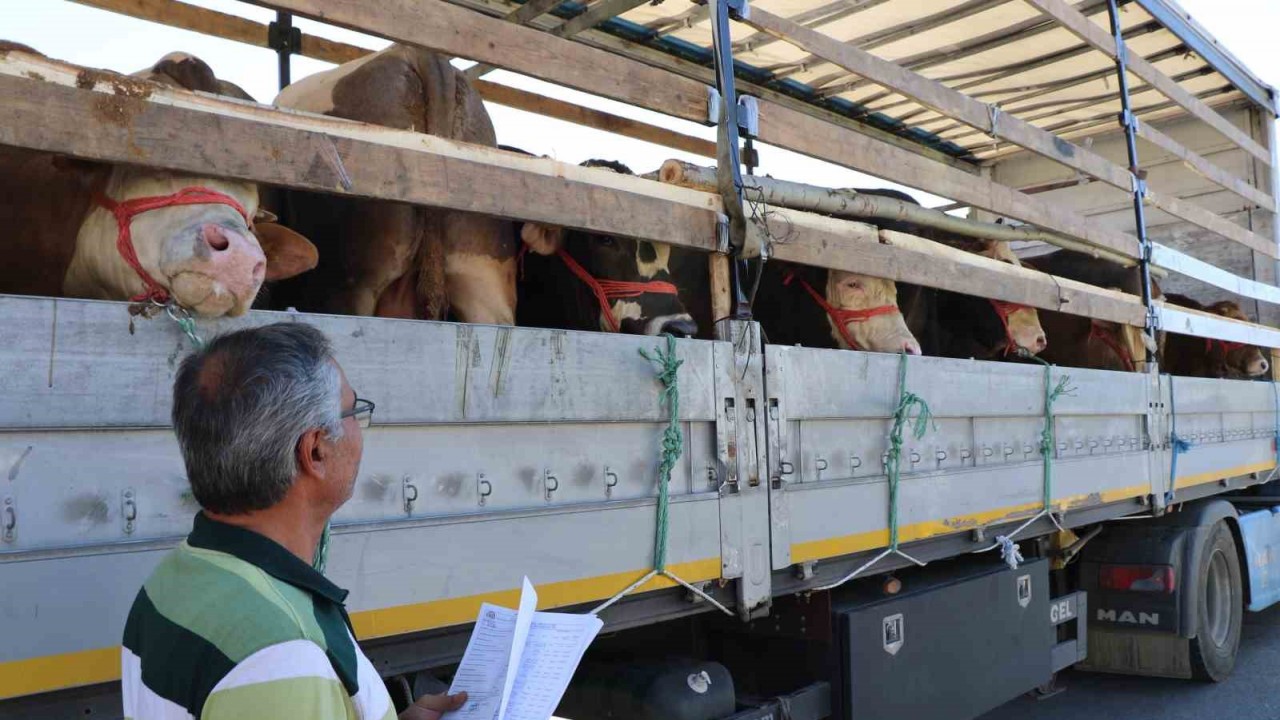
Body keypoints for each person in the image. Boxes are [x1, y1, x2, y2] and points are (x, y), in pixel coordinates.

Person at [121, 322, 466, 720]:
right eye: (353, 411)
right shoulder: (284, 654)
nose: (359, 429)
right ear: (315, 450)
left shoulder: (178, 577)